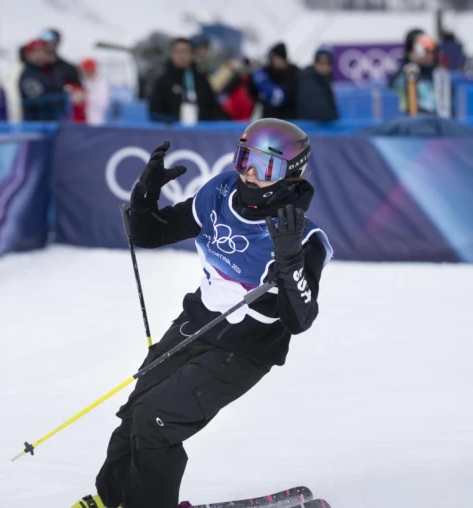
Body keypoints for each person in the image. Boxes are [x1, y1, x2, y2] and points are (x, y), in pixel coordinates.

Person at [74, 118, 333, 508]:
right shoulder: (220, 193)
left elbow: (300, 319)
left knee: (156, 420)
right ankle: (114, 499)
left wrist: (289, 258)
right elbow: (151, 233)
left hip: (244, 348)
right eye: (245, 159)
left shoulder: (303, 236)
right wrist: (145, 196)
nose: (249, 174)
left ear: (291, 173)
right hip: (196, 322)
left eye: (265, 167)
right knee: (135, 411)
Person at [148, 37, 227, 124]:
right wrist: (175, 121)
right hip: (172, 129)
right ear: (172, 54)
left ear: (192, 54)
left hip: (200, 129)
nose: (182, 56)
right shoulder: (163, 82)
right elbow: (155, 113)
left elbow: (214, 109)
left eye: (185, 51)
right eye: (178, 52)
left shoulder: (201, 80)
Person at [247, 42, 300, 120]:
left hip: (288, 120)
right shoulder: (267, 72)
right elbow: (253, 94)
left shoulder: (293, 74)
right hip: (268, 119)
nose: (273, 61)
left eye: (276, 58)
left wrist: (263, 83)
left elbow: (280, 97)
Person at [389, 32, 437, 114]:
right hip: (410, 118)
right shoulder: (405, 72)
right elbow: (394, 88)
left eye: (430, 50)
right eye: (422, 48)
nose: (427, 54)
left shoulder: (439, 73)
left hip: (435, 118)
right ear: (410, 52)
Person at [19, 39, 66, 121]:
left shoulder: (53, 71)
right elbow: (38, 99)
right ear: (28, 55)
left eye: (42, 51)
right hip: (37, 122)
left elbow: (60, 91)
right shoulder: (27, 76)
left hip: (56, 120)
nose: (40, 54)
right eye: (36, 52)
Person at [297, 46, 339, 121]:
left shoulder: (325, 81)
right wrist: (334, 115)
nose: (325, 66)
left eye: (329, 63)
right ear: (315, 63)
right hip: (308, 128)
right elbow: (322, 113)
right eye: (322, 63)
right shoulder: (308, 82)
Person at [80, 58, 109, 126]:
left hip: (96, 122)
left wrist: (86, 95)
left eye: (89, 70)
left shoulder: (102, 84)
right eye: (86, 70)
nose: (88, 72)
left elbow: (103, 104)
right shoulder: (80, 82)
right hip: (80, 123)